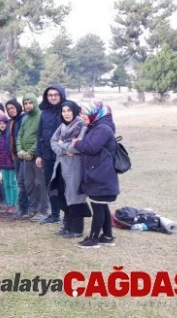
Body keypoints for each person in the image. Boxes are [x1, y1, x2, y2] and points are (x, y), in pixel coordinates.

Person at [71, 100, 120, 249]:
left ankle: (93, 239)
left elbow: (91, 148)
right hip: (99, 172)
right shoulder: (97, 125)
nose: (82, 116)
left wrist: (77, 143)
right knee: (101, 206)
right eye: (81, 114)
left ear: (95, 113)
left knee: (98, 207)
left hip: (101, 175)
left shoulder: (103, 128)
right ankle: (107, 236)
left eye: (85, 113)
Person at [49, 100, 89, 239]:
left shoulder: (81, 126)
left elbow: (77, 147)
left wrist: (62, 144)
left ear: (74, 111)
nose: (66, 114)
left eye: (69, 111)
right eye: (63, 111)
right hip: (61, 166)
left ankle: (77, 229)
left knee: (75, 197)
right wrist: (64, 150)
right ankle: (67, 226)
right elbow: (52, 141)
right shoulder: (62, 126)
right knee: (63, 195)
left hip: (75, 167)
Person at [35, 85, 67, 225]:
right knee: (50, 185)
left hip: (63, 156)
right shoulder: (45, 113)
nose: (53, 97)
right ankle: (54, 214)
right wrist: (39, 155)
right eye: (50, 95)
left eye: (56, 94)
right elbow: (40, 135)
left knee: (64, 186)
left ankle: (68, 216)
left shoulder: (67, 111)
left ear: (61, 95)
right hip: (47, 155)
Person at [16, 94, 49, 222]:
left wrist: (31, 151)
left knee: (40, 183)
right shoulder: (25, 119)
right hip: (25, 156)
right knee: (28, 183)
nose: (28, 105)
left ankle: (43, 211)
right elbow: (20, 135)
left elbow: (41, 137)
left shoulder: (41, 116)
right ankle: (33, 209)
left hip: (37, 156)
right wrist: (19, 150)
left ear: (35, 103)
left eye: (30, 103)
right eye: (25, 103)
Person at [6, 99, 28, 219]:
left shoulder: (23, 119)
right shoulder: (11, 122)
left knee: (22, 182)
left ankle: (25, 209)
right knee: (20, 182)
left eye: (13, 108)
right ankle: (23, 208)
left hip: (24, 155)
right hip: (15, 156)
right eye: (9, 109)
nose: (11, 110)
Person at [0, 114, 17, 213]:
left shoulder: (10, 134)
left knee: (13, 184)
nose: (2, 125)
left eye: (3, 123)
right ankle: (8, 203)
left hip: (11, 163)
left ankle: (14, 204)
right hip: (3, 164)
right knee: (6, 184)